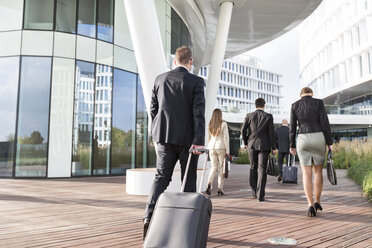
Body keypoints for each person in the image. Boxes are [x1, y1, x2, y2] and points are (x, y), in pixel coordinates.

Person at [143, 46, 205, 239]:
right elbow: (198, 113)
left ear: (175, 61)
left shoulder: (160, 79)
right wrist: (199, 141)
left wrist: (159, 131)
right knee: (188, 181)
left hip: (164, 137)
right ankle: (186, 228)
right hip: (188, 141)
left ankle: (149, 218)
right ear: (191, 62)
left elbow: (153, 110)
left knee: (161, 178)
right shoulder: (196, 81)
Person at [289, 87, 333, 217]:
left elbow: (292, 127)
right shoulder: (319, 102)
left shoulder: (295, 105)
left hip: (303, 138)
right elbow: (325, 123)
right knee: (318, 172)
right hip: (319, 137)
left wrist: (292, 145)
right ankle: (317, 202)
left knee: (306, 175)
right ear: (312, 94)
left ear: (301, 95)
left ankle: (310, 205)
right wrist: (329, 142)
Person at [241, 98, 276, 202]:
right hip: (264, 146)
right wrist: (273, 147)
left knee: (253, 167)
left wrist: (246, 142)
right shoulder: (268, 116)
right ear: (264, 105)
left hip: (251, 145)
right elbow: (271, 133)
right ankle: (261, 195)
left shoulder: (249, 115)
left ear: (255, 105)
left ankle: (254, 192)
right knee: (262, 169)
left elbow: (243, 130)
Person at [205, 108, 230, 196]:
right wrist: (228, 151)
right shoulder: (223, 123)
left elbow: (208, 138)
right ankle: (220, 188)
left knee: (213, 167)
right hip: (221, 147)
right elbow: (226, 138)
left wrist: (208, 148)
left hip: (211, 147)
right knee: (221, 168)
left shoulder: (210, 124)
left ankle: (209, 183)